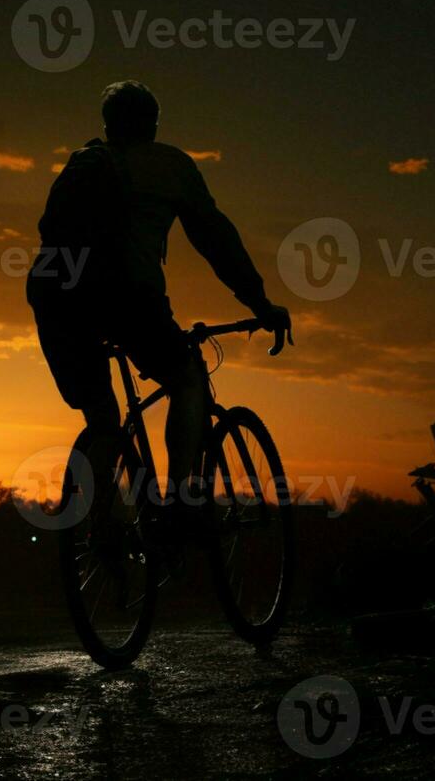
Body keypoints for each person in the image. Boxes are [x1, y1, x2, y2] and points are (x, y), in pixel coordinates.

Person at [26, 80, 291, 540]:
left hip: (55, 298)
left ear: (107, 125)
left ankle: (99, 528)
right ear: (153, 125)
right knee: (186, 374)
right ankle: (180, 501)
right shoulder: (170, 165)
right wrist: (259, 303)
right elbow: (216, 239)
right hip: (126, 296)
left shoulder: (80, 164)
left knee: (103, 418)